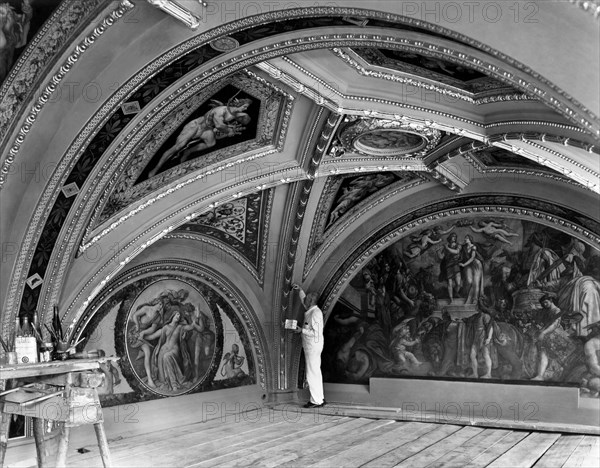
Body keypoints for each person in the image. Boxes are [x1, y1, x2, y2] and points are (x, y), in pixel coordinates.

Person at [148, 97, 252, 177]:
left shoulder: (235, 113)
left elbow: (246, 120)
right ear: (238, 104)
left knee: (211, 143)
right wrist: (228, 130)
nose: (246, 108)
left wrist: (241, 119)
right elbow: (219, 125)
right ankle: (157, 167)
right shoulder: (221, 110)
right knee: (179, 145)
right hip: (196, 126)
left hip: (207, 130)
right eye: (244, 106)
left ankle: (188, 152)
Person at [291, 283, 326, 408]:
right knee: (315, 371)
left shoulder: (315, 313)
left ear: (311, 300)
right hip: (312, 346)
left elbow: (316, 333)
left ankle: (316, 401)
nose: (305, 299)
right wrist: (299, 290)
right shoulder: (310, 309)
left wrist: (302, 330)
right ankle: (319, 398)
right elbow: (304, 301)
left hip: (313, 346)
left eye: (308, 297)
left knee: (311, 373)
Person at [460, 235, 484, 304]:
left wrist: (464, 264)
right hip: (469, 265)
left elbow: (472, 257)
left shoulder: (473, 246)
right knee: (469, 281)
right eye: (465, 238)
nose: (465, 239)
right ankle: (469, 297)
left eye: (467, 238)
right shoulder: (464, 247)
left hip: (476, 264)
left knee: (476, 282)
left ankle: (475, 299)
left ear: (470, 239)